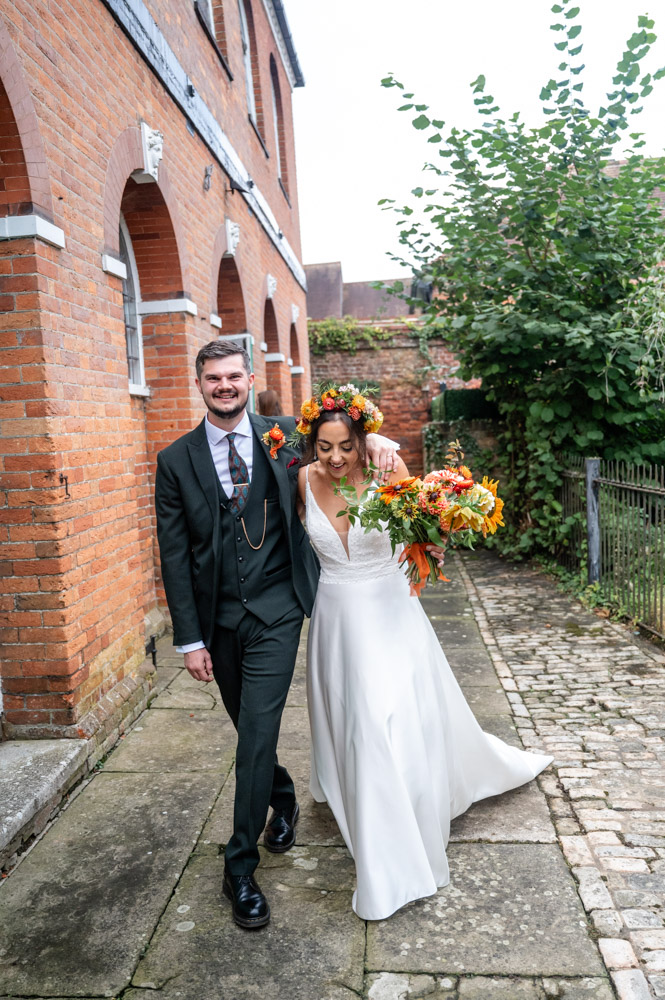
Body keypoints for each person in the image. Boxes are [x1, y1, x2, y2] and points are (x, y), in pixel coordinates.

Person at [154, 342, 398, 930]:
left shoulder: (287, 433)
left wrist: (379, 441)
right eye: (213, 378)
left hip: (278, 611)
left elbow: (343, 439)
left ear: (248, 379)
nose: (225, 385)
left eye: (234, 376)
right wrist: (189, 639)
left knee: (258, 729)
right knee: (249, 732)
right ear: (200, 384)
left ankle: (239, 865)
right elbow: (175, 554)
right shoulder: (174, 459)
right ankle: (281, 792)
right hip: (217, 620)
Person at [296, 387, 553, 921]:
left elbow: (427, 537)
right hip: (335, 617)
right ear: (312, 444)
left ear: (363, 441)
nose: (336, 458)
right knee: (350, 716)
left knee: (379, 717)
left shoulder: (390, 472)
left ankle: (394, 848)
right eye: (324, 447)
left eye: (346, 445)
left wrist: (433, 542)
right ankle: (360, 801)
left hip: (390, 613)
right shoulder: (302, 479)